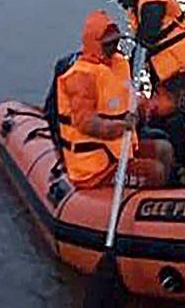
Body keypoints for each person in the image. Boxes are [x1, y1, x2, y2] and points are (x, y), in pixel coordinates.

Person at [55, 10, 172, 189]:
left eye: (117, 40)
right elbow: (86, 123)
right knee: (154, 171)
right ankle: (149, 208)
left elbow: (126, 101)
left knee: (164, 149)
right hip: (95, 166)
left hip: (119, 150)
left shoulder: (119, 65)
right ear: (96, 43)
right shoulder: (82, 76)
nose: (114, 46)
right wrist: (121, 126)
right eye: (109, 43)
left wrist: (146, 106)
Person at [106, 0, 185, 175]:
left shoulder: (152, 0)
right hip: (165, 71)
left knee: (175, 117)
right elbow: (144, 44)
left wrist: (131, 68)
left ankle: (178, 168)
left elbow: (147, 36)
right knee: (161, 114)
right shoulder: (141, 6)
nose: (121, 4)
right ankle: (166, 160)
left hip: (179, 69)